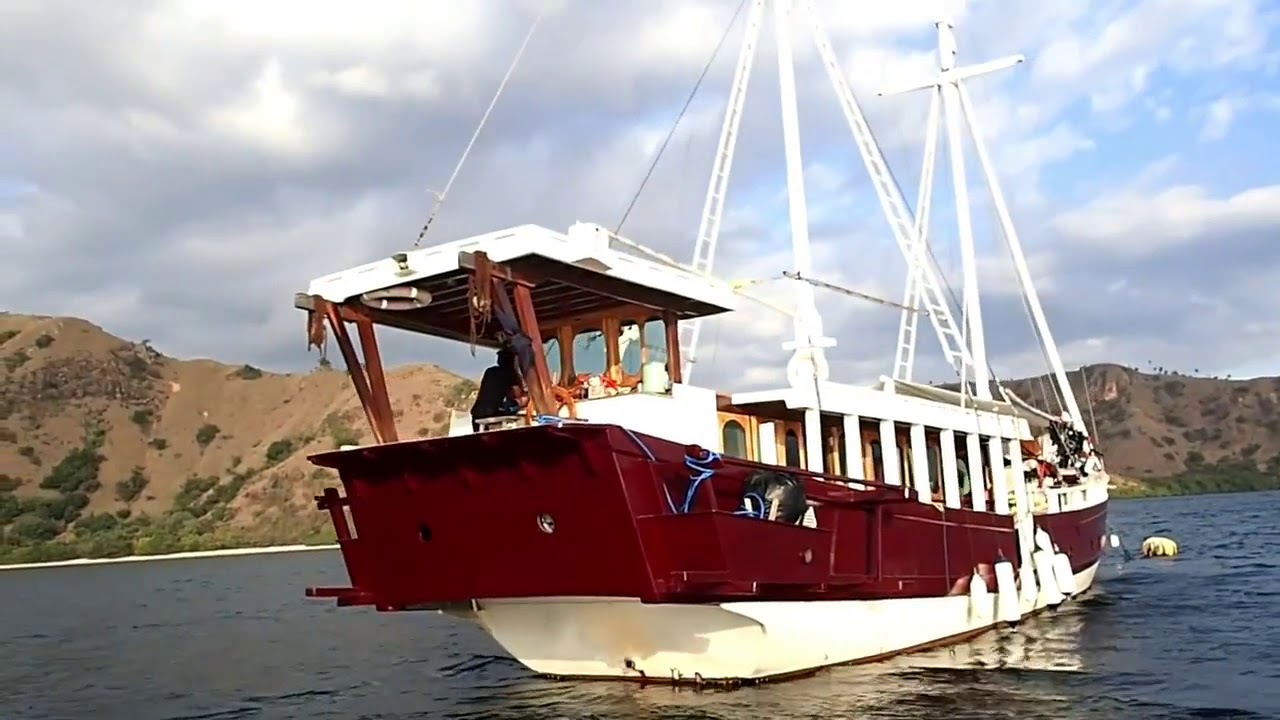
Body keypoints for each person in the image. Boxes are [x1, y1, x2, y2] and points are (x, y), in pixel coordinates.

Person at [470, 348, 521, 431]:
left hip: (477, 412)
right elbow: (517, 393)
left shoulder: (489, 371)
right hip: (492, 413)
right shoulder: (510, 374)